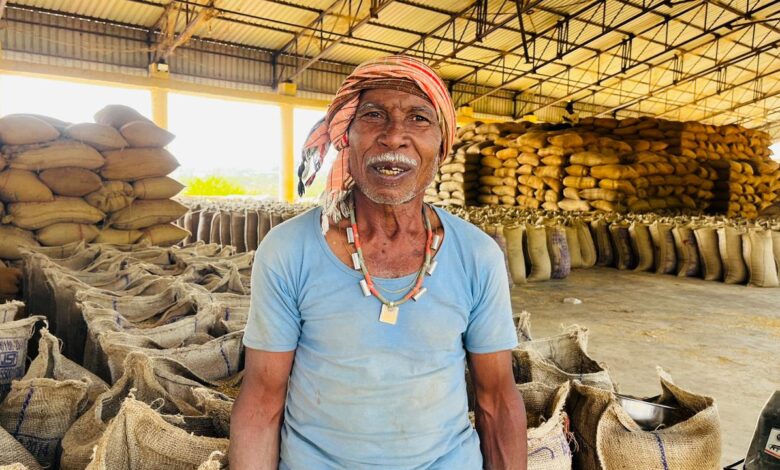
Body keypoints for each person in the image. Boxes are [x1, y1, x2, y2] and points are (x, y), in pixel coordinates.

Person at [230, 55, 527, 470]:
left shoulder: (477, 255)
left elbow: (497, 398)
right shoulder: (288, 250)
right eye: (374, 116)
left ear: (441, 146)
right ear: (345, 136)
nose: (394, 136)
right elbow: (261, 400)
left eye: (419, 119)